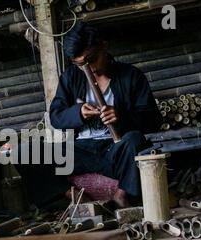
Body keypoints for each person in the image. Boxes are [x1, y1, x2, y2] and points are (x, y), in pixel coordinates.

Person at [15, 22, 162, 209]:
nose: (88, 68)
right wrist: (78, 113)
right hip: (81, 151)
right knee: (24, 152)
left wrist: (122, 116)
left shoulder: (131, 76)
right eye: (79, 64)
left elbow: (154, 120)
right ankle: (72, 195)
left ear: (103, 46)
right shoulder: (71, 77)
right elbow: (56, 117)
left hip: (115, 150)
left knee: (134, 139)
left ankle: (121, 195)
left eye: (91, 59)